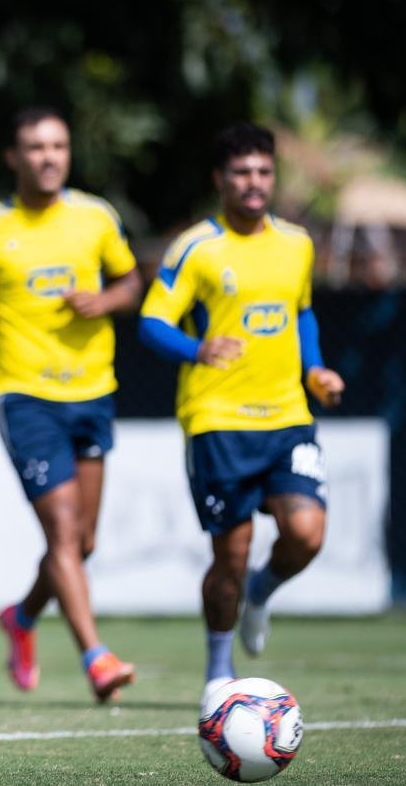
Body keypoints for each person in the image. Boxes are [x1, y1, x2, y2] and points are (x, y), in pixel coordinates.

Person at [0, 107, 141, 703]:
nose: (48, 156)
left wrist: (106, 300)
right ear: (13, 158)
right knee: (63, 530)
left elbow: (131, 283)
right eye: (35, 147)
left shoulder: (97, 216)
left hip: (93, 392)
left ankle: (21, 618)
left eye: (58, 146)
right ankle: (97, 658)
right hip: (24, 395)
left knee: (83, 543)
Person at [137, 122, 344, 706]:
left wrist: (316, 369)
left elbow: (301, 312)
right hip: (219, 420)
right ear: (220, 180)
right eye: (241, 173)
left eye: (263, 172)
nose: (254, 183)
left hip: (287, 416)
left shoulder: (297, 243)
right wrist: (198, 348)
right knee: (229, 552)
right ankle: (218, 670)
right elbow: (153, 322)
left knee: (306, 534)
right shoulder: (196, 247)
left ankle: (261, 591)